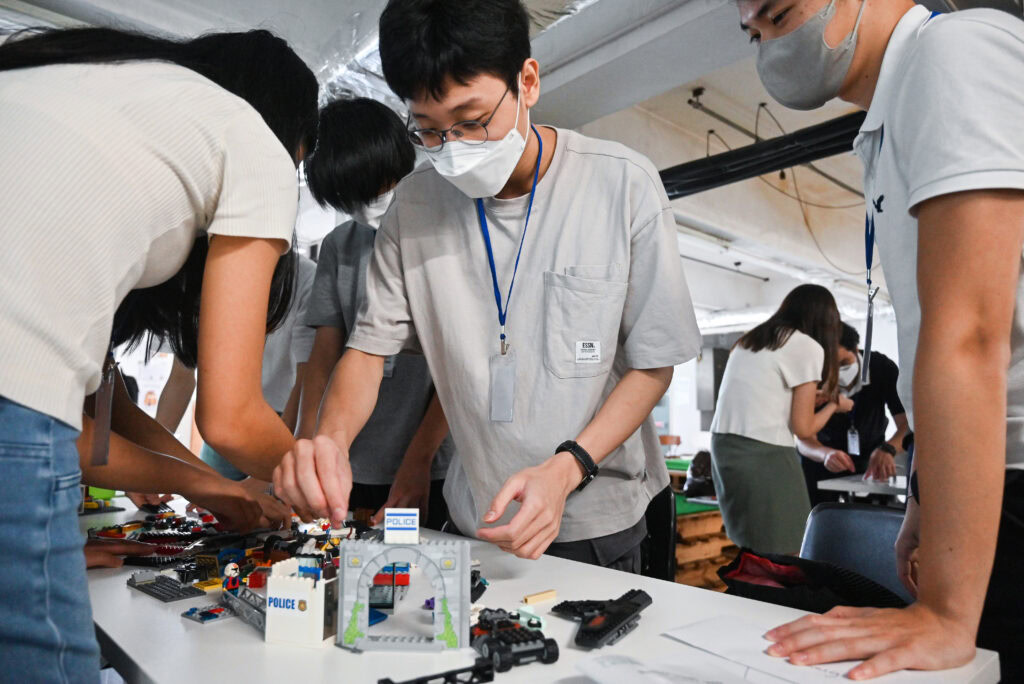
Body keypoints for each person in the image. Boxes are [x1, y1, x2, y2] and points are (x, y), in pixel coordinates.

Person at [273, 0, 702, 571]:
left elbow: (654, 366)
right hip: (473, 519)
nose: (454, 148)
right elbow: (366, 353)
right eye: (427, 130)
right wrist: (328, 441)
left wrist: (567, 466)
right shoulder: (414, 209)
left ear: (526, 82)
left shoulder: (621, 185)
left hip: (593, 515)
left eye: (472, 121)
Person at [0, 26, 317, 681]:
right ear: (294, 142)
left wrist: (206, 488)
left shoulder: (89, 89)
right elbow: (229, 419)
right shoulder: (251, 140)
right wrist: (309, 478)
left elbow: (98, 422)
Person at [739, 0, 1024, 678]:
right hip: (995, 470)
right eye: (753, 33)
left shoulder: (952, 49)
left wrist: (950, 611)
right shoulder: (887, 123)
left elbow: (975, 334)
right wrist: (925, 503)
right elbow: (941, 324)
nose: (769, 46)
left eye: (779, 14)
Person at [298, 97, 454, 530]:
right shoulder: (340, 246)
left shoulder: (446, 234)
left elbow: (461, 364)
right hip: (352, 458)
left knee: (415, 580)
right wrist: (310, 445)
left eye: (377, 188)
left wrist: (419, 459)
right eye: (352, 199)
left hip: (429, 461)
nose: (368, 205)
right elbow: (322, 360)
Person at [710, 284, 850, 554]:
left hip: (725, 447)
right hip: (763, 452)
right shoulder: (807, 345)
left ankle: (748, 591)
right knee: (789, 543)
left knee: (750, 542)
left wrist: (815, 399)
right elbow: (803, 428)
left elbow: (761, 394)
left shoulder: (751, 339)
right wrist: (834, 405)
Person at [200, 254, 317, 480]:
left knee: (274, 502)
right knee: (211, 504)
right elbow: (182, 374)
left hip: (281, 417)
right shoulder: (219, 270)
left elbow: (308, 376)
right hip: (225, 413)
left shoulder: (306, 276)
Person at [798, 323, 909, 504]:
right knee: (822, 519)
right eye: (829, 367)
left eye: (843, 363)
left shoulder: (880, 367)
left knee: (875, 518)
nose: (837, 372)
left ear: (856, 349)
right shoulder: (811, 377)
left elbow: (908, 425)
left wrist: (889, 448)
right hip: (822, 460)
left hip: (872, 459)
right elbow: (803, 439)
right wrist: (825, 454)